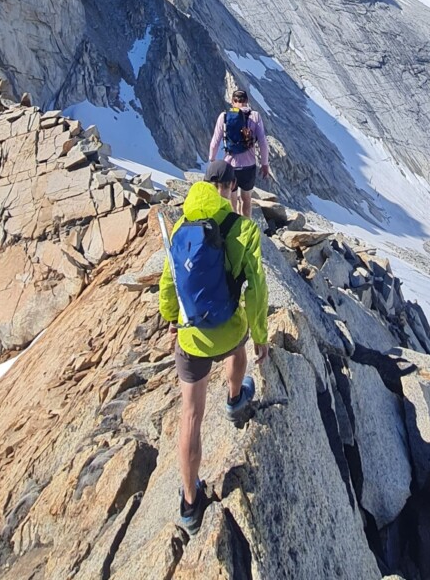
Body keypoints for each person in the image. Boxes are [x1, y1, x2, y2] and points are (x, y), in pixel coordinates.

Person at [158, 160, 269, 535]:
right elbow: (256, 290)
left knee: (191, 415)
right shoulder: (243, 229)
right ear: (232, 188)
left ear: (205, 184)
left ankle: (190, 505)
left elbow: (169, 283)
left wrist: (173, 319)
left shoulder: (179, 226)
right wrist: (261, 337)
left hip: (191, 337)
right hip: (228, 331)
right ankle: (236, 400)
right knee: (236, 350)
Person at [209, 88, 270, 218]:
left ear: (232, 101)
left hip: (230, 166)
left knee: (232, 199)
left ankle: (233, 227)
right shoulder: (255, 116)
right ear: (247, 101)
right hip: (249, 166)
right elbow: (263, 143)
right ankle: (246, 227)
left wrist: (212, 160)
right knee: (246, 198)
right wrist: (265, 164)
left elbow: (215, 141)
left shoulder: (224, 116)